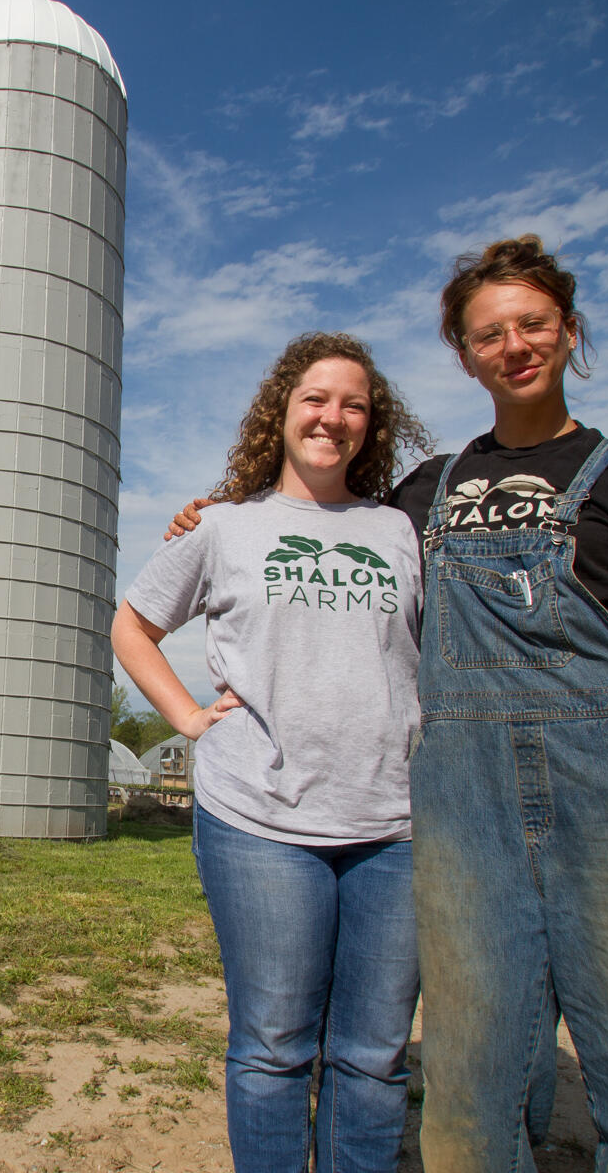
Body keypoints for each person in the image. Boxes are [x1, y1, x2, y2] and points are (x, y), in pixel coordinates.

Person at [174, 238, 608, 1169]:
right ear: (464, 356)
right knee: (469, 1077)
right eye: (488, 333)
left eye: (533, 324)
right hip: (465, 800)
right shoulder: (424, 491)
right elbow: (325, 531)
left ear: (569, 332)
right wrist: (217, 516)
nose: (514, 345)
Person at [112, 332, 432, 1173]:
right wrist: (186, 716)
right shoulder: (224, 527)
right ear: (280, 414)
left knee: (373, 1055)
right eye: (315, 400)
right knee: (274, 1044)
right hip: (259, 819)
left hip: (394, 825)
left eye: (354, 404)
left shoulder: (400, 530)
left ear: (373, 424)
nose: (333, 418)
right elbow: (133, 624)